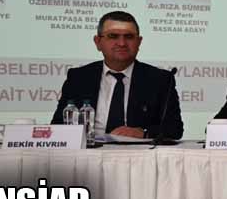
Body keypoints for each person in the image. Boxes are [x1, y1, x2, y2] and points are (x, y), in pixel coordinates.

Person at [51, 11, 183, 139]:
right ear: (98, 42)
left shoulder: (160, 80)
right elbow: (58, 125)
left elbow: (174, 129)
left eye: (129, 37)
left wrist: (144, 133)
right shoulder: (79, 77)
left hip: (138, 151)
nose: (122, 43)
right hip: (89, 149)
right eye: (113, 36)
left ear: (139, 42)